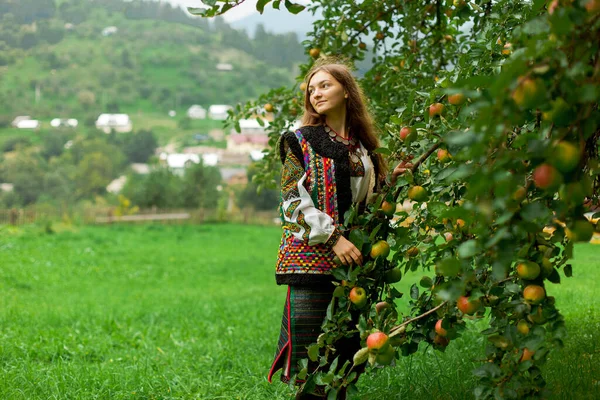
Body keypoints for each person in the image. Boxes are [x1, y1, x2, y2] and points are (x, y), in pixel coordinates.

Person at [267, 60, 412, 399]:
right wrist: (332, 237)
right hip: (312, 261)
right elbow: (291, 200)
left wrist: (391, 181)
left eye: (324, 85)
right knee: (313, 359)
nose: (315, 93)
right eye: (311, 89)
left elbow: (369, 203)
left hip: (354, 264)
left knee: (347, 357)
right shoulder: (298, 142)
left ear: (346, 91)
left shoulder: (364, 150)